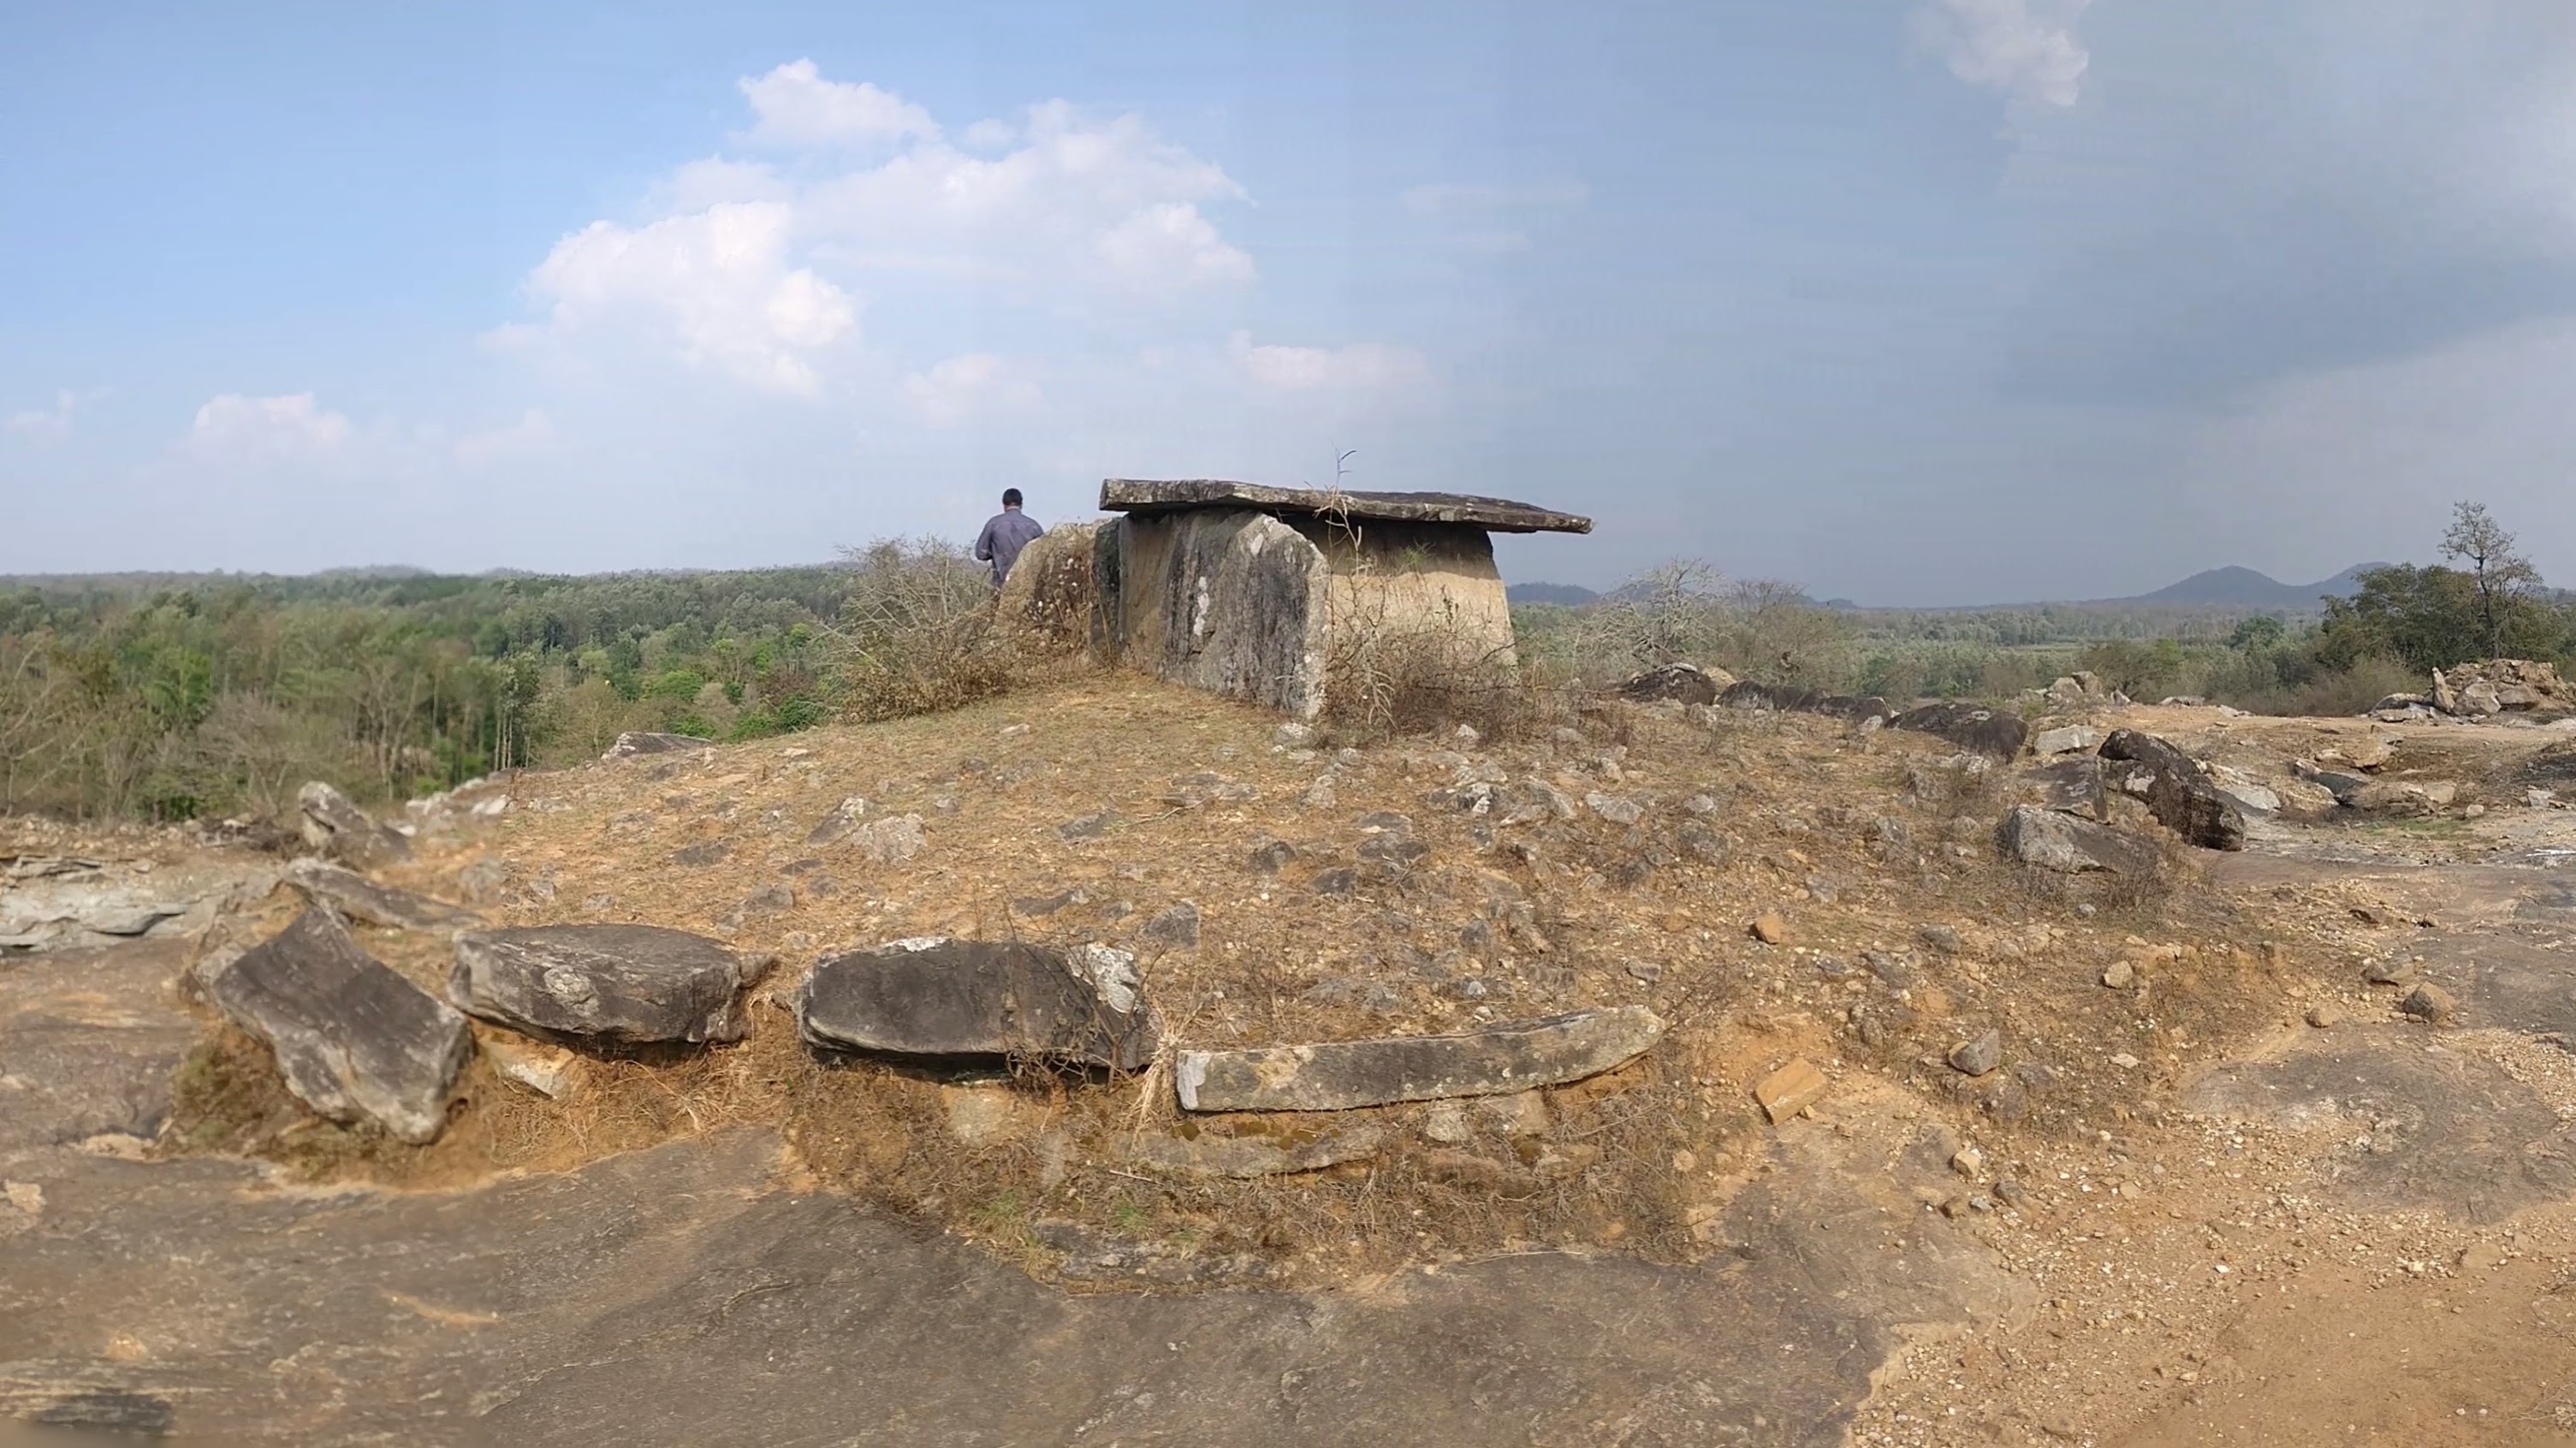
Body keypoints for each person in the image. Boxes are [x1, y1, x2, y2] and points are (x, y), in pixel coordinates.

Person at [973, 488, 1045, 588]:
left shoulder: (993, 524)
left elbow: (981, 554)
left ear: (1004, 505)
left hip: (1001, 586)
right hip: (1027, 587)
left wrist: (996, 552)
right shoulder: (1034, 526)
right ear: (1021, 504)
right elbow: (1044, 556)